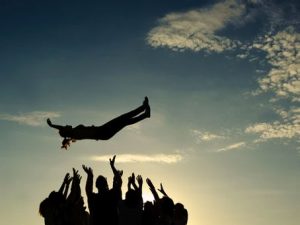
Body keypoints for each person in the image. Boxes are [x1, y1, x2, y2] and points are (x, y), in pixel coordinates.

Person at [47, 97, 150, 149]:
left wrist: (52, 125)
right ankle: (144, 112)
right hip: (103, 132)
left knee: (123, 119)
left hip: (102, 130)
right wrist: (53, 126)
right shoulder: (75, 134)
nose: (65, 125)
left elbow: (62, 129)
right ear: (67, 131)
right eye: (65, 127)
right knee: (124, 121)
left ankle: (144, 110)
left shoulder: (73, 132)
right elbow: (63, 130)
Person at [82, 155, 123, 225]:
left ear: (96, 185)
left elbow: (88, 190)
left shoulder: (94, 198)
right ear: (106, 184)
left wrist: (90, 176)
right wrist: (113, 167)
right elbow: (119, 182)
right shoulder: (111, 195)